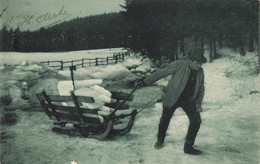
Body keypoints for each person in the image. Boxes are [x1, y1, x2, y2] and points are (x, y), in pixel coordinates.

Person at [135, 48, 207, 155]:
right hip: (173, 97)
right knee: (165, 119)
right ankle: (160, 140)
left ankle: (188, 146)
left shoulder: (200, 72)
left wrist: (198, 102)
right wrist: (145, 82)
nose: (199, 66)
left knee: (196, 121)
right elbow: (162, 73)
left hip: (189, 99)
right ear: (191, 60)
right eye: (197, 63)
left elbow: (201, 88)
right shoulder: (179, 64)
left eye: (201, 64)